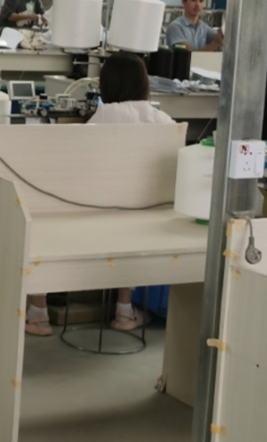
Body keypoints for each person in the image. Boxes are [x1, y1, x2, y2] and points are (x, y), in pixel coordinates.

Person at [25, 52, 175, 337]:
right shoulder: (165, 122)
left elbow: (67, 180)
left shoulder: (96, 125)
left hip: (92, 223)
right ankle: (124, 310)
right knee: (131, 225)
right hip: (146, 222)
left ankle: (38, 315)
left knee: (37, 214)